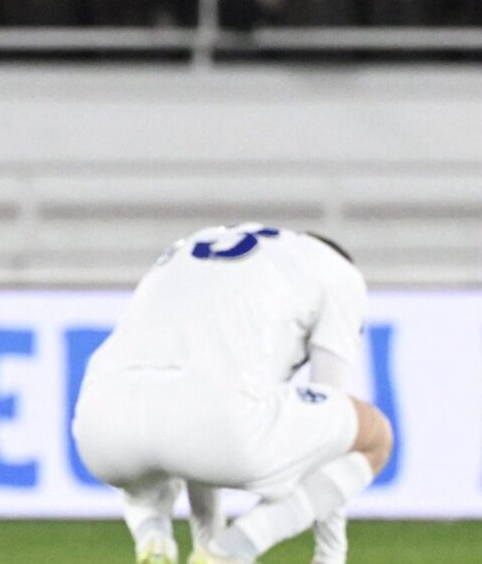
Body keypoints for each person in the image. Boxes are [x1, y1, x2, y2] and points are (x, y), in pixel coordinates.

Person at [72, 223, 394, 564]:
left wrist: (205, 537)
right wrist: (330, 552)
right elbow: (332, 421)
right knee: (373, 436)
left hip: (99, 425)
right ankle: (238, 548)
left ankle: (152, 532)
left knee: (164, 439)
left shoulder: (199, 242)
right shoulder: (338, 271)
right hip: (210, 423)